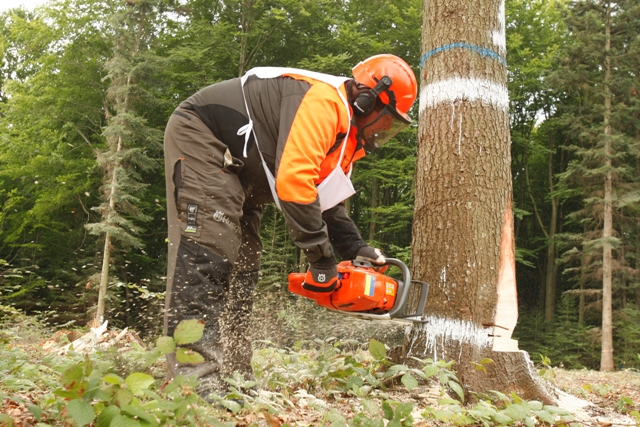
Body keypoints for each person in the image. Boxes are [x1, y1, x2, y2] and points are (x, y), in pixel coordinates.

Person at [162, 54, 418, 399]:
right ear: (367, 99)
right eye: (385, 123)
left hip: (244, 174)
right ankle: (195, 381)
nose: (383, 132)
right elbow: (295, 183)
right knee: (209, 252)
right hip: (203, 139)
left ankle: (236, 378)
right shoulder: (325, 103)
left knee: (243, 270)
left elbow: (325, 199)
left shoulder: (347, 142)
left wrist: (354, 247)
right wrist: (321, 261)